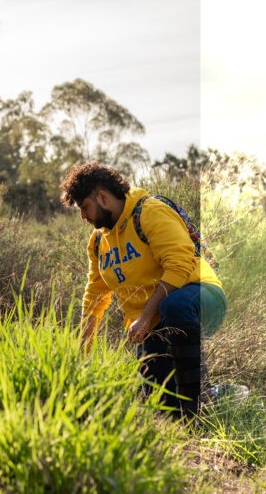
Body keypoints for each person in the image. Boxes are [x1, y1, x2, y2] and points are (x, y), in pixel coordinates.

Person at [59, 162, 228, 420]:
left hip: (202, 296)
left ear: (103, 197)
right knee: (164, 407)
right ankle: (222, 394)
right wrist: (81, 354)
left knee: (174, 306)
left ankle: (200, 408)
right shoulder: (98, 242)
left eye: (84, 207)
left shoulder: (149, 212)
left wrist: (146, 316)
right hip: (153, 321)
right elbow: (94, 296)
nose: (83, 215)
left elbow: (180, 264)